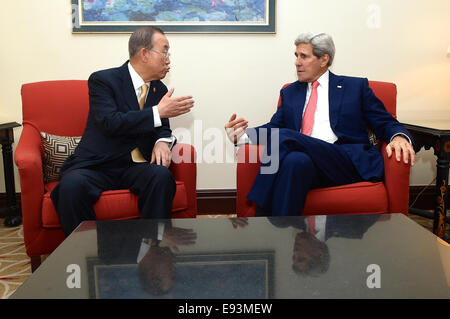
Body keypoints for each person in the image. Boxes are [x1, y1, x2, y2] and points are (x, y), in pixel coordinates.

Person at [225, 32, 415, 216]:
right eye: (296, 56)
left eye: (304, 56)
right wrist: (241, 136)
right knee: (295, 162)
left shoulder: (355, 87)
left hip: (345, 161)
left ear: (324, 59)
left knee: (283, 137)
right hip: (310, 164)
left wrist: (398, 136)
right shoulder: (290, 93)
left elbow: (385, 121)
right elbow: (273, 128)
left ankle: (259, 209)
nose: (297, 62)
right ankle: (282, 239)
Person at [51, 26, 194, 235]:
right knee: (70, 188)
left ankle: (152, 249)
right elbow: (110, 122)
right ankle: (84, 253)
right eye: (164, 52)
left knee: (161, 177)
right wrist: (158, 112)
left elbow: (162, 127)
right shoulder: (103, 81)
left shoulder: (159, 89)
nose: (168, 59)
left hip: (136, 167)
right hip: (97, 165)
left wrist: (162, 141)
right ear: (144, 53)